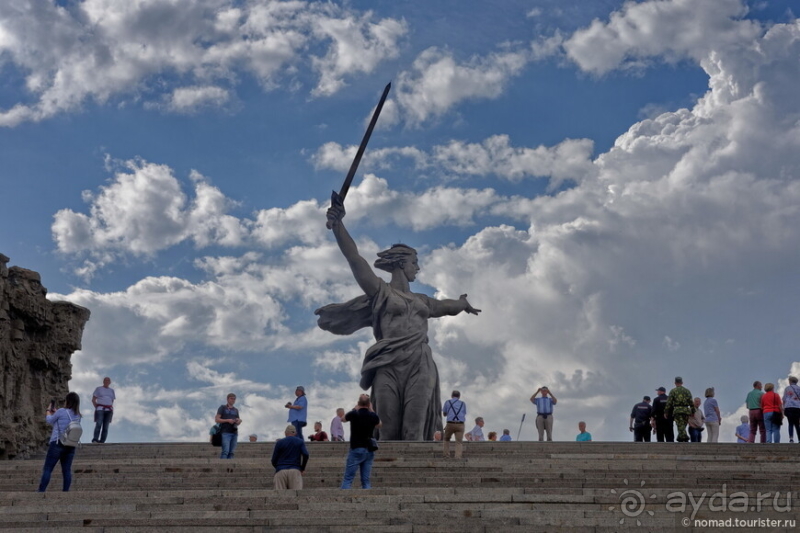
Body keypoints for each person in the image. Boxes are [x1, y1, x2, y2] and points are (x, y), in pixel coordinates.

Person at [318, 196, 480, 440]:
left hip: (419, 362)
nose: (418, 268)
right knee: (388, 430)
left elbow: (447, 306)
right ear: (402, 263)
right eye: (415, 263)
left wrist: (462, 303)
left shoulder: (423, 301)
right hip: (388, 364)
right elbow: (355, 259)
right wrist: (339, 226)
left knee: (414, 428)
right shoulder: (380, 292)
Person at [38, 392, 81, 492]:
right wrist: (57, 412)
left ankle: (41, 491)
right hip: (70, 445)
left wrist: (49, 411)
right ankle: (66, 491)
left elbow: (50, 420)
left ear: (68, 401)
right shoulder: (78, 415)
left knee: (48, 468)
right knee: (66, 470)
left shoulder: (61, 411)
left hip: (57, 443)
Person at [341, 394, 381, 489]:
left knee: (348, 478)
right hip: (369, 450)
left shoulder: (354, 413)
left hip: (356, 448)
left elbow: (342, 419)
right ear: (369, 404)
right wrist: (371, 410)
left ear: (358, 403)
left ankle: (343, 499)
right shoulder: (372, 415)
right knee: (366, 480)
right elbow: (379, 424)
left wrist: (355, 409)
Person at [271, 424, 309, 489]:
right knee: (296, 496)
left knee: (279, 496)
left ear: (285, 433)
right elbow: (306, 454)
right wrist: (302, 468)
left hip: (281, 470)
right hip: (295, 470)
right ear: (295, 433)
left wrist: (278, 467)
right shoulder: (300, 441)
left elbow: (273, 459)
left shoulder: (279, 442)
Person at [665, 377, 693, 442]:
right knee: (682, 425)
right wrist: (693, 411)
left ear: (675, 383)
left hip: (677, 410)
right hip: (686, 410)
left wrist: (666, 412)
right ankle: (681, 438)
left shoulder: (673, 391)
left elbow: (669, 402)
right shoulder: (687, 391)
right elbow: (691, 402)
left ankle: (684, 437)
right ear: (682, 383)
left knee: (680, 426)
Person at [215, 393, 241, 459]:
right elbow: (217, 419)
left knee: (231, 452)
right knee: (225, 451)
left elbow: (237, 421)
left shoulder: (236, 410)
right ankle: (222, 467)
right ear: (227, 399)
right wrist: (227, 420)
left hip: (234, 432)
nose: (233, 400)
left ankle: (230, 468)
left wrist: (239, 421)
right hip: (225, 432)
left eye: (234, 399)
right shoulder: (222, 407)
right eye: (231, 398)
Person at [442, 390, 466, 458]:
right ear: (459, 396)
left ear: (451, 396)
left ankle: (446, 455)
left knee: (446, 439)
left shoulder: (447, 402)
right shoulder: (463, 403)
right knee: (459, 441)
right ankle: (458, 456)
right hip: (460, 424)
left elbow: (444, 414)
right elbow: (464, 413)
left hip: (450, 423)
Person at [91, 376, 115, 443]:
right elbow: (93, 399)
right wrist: (97, 407)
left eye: (108, 381)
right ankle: (95, 439)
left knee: (106, 427)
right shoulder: (98, 389)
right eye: (105, 380)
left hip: (109, 410)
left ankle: (102, 441)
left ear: (110, 382)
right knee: (98, 424)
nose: (107, 382)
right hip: (100, 409)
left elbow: (112, 400)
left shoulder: (112, 391)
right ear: (103, 381)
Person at [782, 377, 800, 442]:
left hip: (789, 407)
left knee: (790, 423)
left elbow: (784, 398)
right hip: (797, 407)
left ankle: (791, 438)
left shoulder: (787, 388)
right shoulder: (799, 388)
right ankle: (799, 439)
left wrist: (783, 408)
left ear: (790, 381)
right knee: (797, 424)